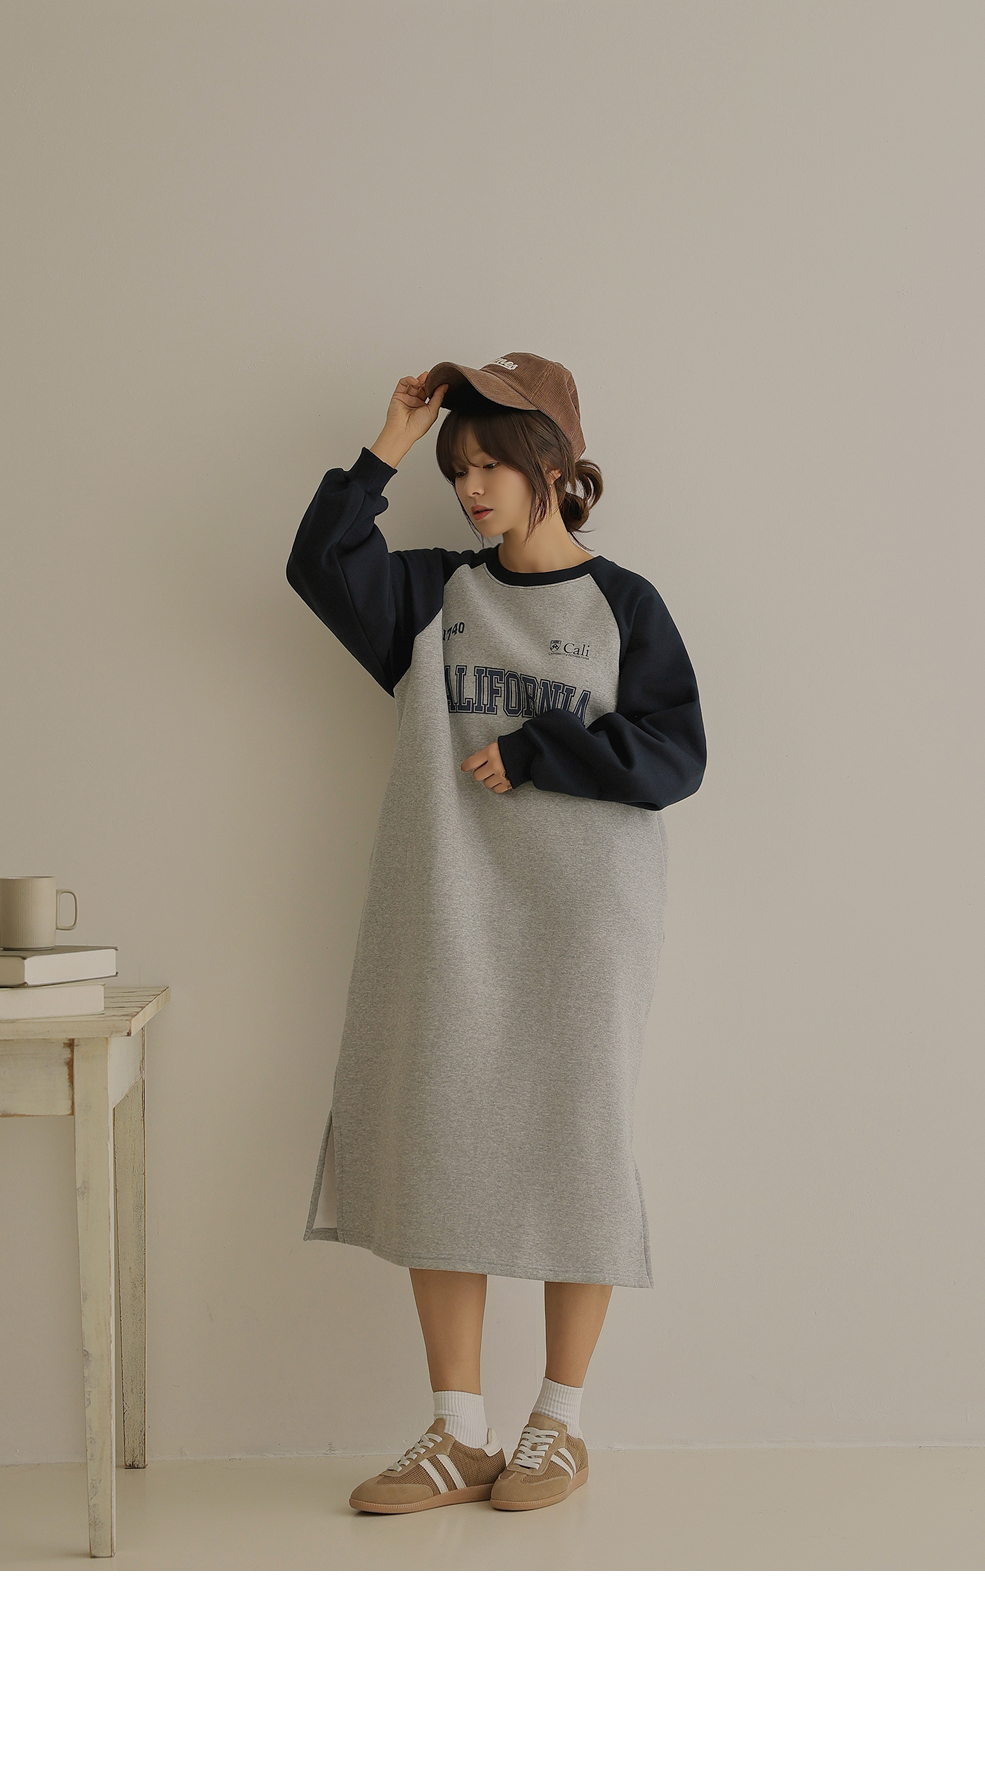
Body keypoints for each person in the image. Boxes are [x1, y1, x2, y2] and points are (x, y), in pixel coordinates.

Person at [287, 351, 706, 1515]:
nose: (470, 488)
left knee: (578, 1144)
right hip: (449, 908)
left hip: (584, 920)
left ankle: (557, 1424)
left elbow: (676, 754)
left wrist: (536, 751)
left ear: (552, 466)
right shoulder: (432, 595)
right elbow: (319, 562)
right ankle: (457, 1433)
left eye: (491, 465)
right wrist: (387, 443)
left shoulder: (625, 605)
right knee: (440, 1138)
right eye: (456, 467)